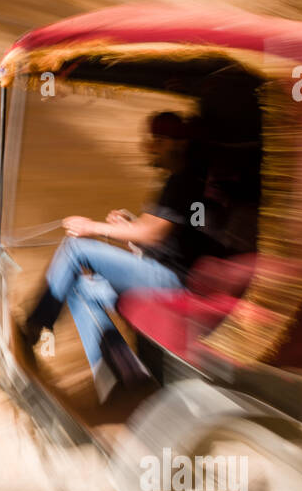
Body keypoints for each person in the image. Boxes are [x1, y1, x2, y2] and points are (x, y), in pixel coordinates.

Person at [14, 111, 215, 402]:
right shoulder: (177, 182)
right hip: (162, 270)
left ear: (178, 144)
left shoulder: (184, 183)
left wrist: (94, 228)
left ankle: (36, 327)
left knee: (75, 249)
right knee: (81, 288)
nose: (150, 147)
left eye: (158, 140)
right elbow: (157, 234)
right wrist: (129, 225)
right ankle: (119, 374)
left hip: (172, 280)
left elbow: (151, 234)